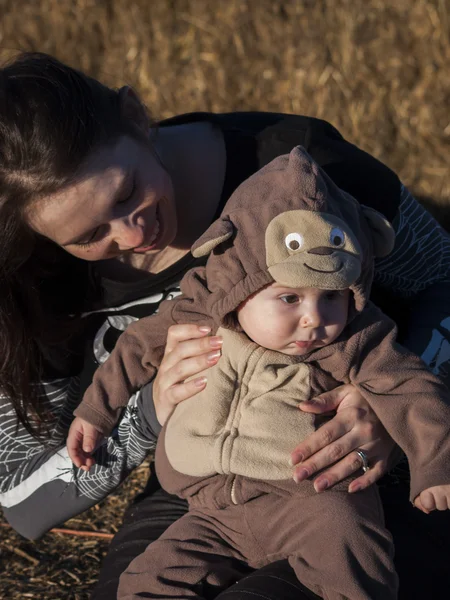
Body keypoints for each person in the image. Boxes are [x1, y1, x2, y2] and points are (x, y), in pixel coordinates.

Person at [0, 52, 449, 600]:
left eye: (126, 192)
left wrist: (392, 407)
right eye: (87, 237)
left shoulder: (307, 174)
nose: (133, 233)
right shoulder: (29, 277)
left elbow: (443, 279)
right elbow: (20, 491)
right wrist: (149, 413)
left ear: (138, 118)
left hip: (360, 479)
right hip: (202, 492)